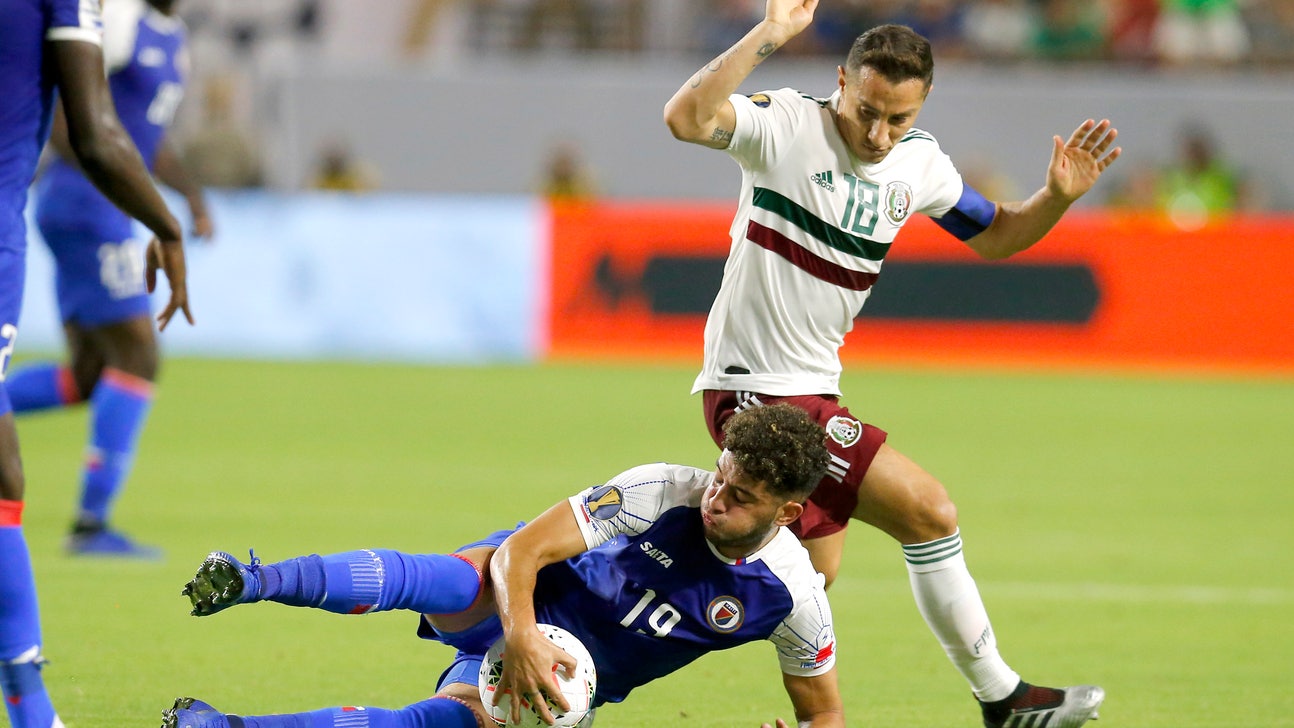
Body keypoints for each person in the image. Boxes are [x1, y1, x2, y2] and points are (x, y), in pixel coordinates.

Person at [662, 3, 1119, 727]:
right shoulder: (784, 125)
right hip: (756, 391)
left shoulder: (921, 165)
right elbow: (687, 118)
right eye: (866, 110)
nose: (878, 135)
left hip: (816, 389)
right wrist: (773, 35)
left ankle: (618, 608)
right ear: (841, 81)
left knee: (810, 579)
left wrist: (1054, 200)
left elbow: (997, 237)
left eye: (896, 119)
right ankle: (1003, 698)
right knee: (928, 511)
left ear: (922, 106)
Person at [164, 404, 843, 728]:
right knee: (461, 575)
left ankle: (220, 727)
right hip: (522, 590)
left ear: (785, 513)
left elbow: (825, 716)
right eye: (720, 478)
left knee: (449, 726)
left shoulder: (792, 599)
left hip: (566, 680)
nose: (715, 499)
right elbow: (525, 552)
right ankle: (255, 580)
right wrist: (520, 633)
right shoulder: (661, 491)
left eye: (741, 497)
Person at [1, 0, 192, 725]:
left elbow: (144, 134)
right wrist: (164, 222)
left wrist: (189, 193)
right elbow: (96, 125)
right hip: (85, 201)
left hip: (73, 198)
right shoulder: (104, 15)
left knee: (89, 375)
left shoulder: (174, 39)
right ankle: (31, 702)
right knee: (137, 355)